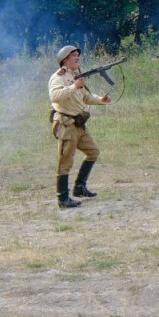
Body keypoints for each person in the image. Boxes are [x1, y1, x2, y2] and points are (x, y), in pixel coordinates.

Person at [48, 45, 111, 208]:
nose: (77, 58)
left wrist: (100, 99)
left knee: (93, 152)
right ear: (65, 60)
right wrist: (73, 86)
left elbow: (86, 97)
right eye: (73, 55)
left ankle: (79, 187)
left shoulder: (76, 77)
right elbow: (55, 96)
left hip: (79, 124)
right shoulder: (58, 77)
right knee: (65, 161)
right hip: (66, 124)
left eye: (77, 55)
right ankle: (62, 199)